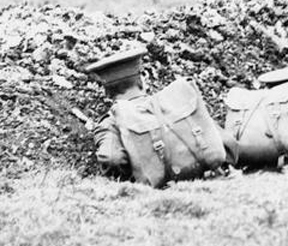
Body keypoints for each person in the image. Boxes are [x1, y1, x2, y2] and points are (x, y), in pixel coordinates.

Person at [88, 47, 237, 185]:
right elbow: (227, 142)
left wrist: (132, 180)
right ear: (142, 81)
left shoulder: (112, 122)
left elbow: (112, 159)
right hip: (210, 181)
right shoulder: (174, 102)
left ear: (107, 93)